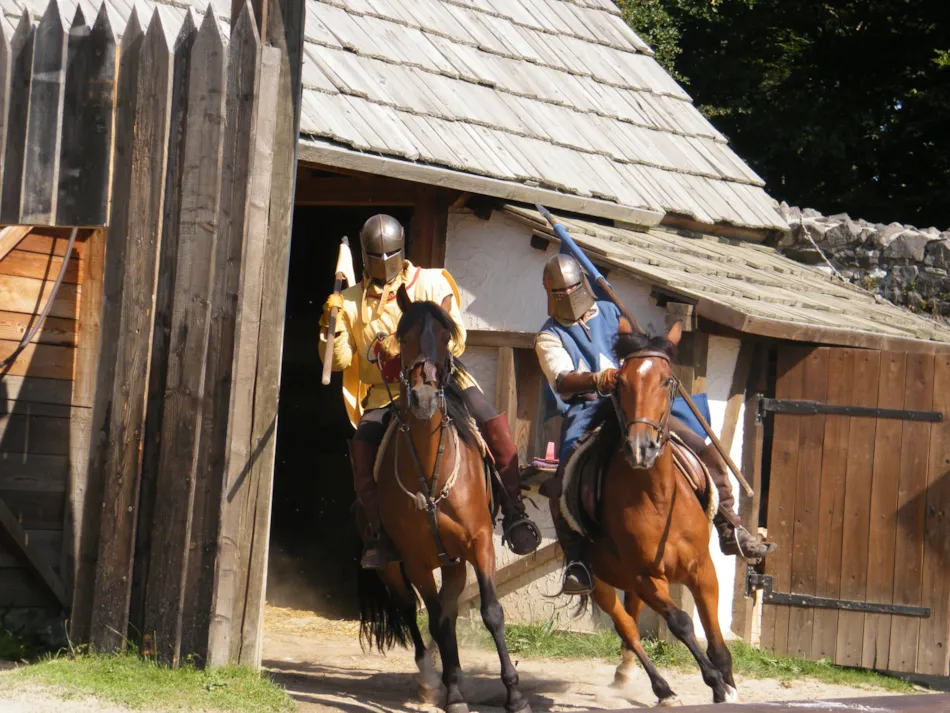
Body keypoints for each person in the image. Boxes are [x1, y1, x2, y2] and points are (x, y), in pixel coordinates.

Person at [534, 253, 776, 595]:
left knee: (699, 443)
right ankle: (577, 560)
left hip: (636, 402)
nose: (567, 296)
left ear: (583, 285)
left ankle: (728, 524)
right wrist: (598, 379)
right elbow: (561, 379)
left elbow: (635, 351)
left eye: (572, 288)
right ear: (550, 294)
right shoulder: (549, 335)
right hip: (588, 406)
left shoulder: (610, 311)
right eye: (559, 292)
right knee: (565, 477)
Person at [320, 214, 541, 569]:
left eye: (390, 253)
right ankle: (379, 532)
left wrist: (405, 349)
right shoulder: (348, 302)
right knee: (363, 446)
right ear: (364, 256)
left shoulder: (432, 282)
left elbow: (457, 339)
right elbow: (340, 362)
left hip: (445, 382)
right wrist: (331, 328)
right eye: (376, 256)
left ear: (401, 249)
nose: (383, 262)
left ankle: (514, 513)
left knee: (493, 425)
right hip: (385, 393)